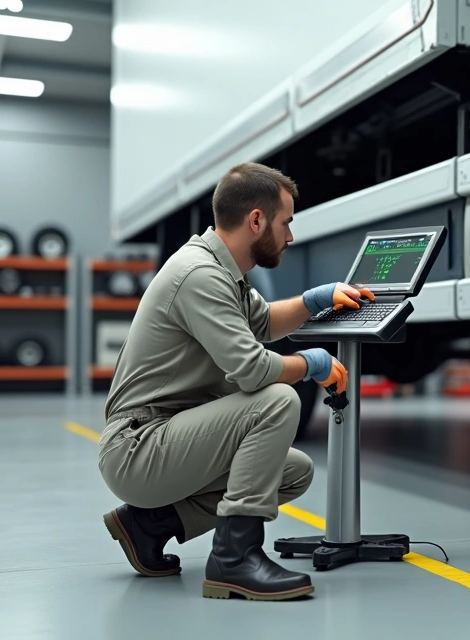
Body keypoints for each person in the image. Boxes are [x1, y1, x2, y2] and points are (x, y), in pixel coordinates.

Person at [96, 161, 373, 601]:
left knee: (292, 472)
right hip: (139, 447)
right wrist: (311, 363)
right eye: (286, 223)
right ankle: (234, 559)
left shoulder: (222, 270)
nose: (290, 236)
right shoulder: (200, 275)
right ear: (256, 220)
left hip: (163, 437)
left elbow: (262, 322)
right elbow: (252, 369)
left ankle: (147, 524)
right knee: (277, 399)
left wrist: (314, 299)